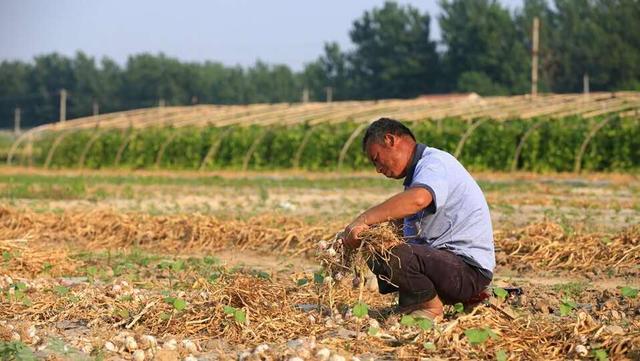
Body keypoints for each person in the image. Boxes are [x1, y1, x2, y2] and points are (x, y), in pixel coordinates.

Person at [342, 117, 495, 320]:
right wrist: (364, 237)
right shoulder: (417, 178)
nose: (378, 169)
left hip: (468, 272)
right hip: (448, 268)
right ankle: (420, 302)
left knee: (394, 253)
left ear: (390, 140)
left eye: (377, 159)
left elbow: (419, 199)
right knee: (377, 245)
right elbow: (399, 229)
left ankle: (430, 308)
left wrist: (364, 219)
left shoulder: (434, 163)